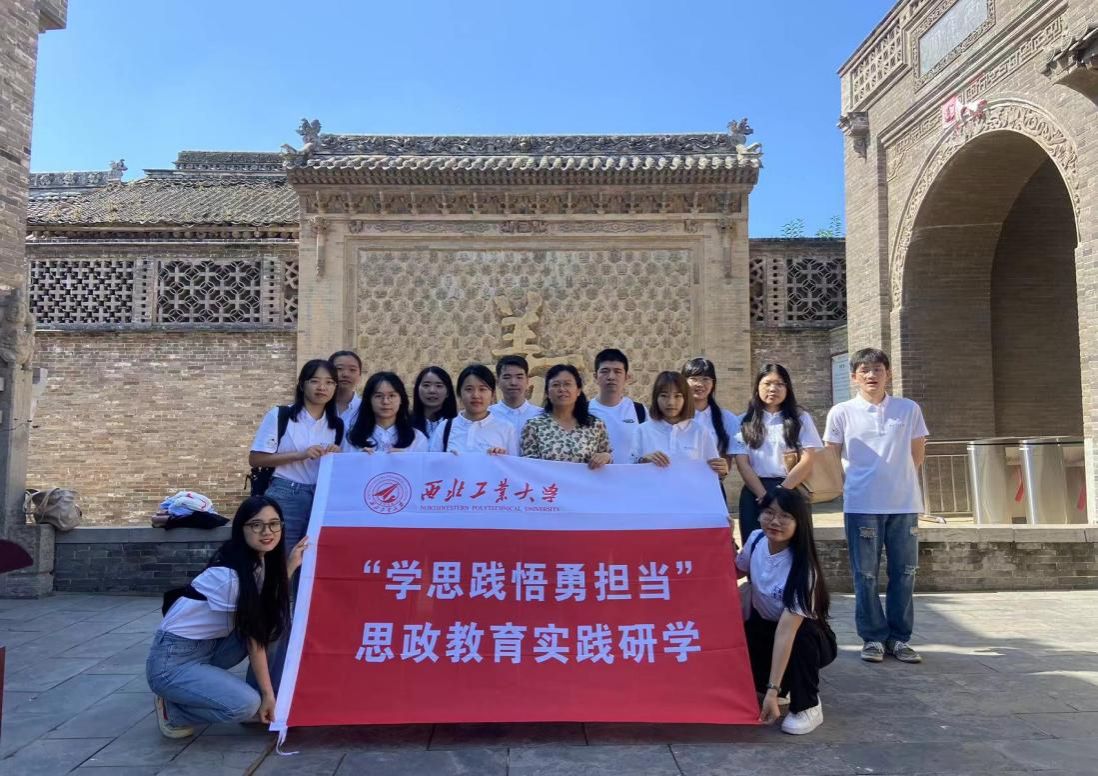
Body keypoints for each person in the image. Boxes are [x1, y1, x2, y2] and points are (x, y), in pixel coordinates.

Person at [147, 496, 307, 739]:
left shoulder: (257, 561)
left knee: (276, 625)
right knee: (245, 705)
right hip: (172, 663)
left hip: (211, 647)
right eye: (256, 525)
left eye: (274, 524)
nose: (267, 532)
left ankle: (268, 702)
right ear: (241, 528)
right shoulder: (230, 578)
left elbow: (267, 609)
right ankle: (173, 710)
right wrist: (266, 696)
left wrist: (291, 565)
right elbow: (255, 640)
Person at [824, 348, 928, 665]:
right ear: (854, 377)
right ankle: (872, 637)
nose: (871, 375)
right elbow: (830, 456)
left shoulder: (908, 409)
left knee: (905, 573)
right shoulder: (841, 412)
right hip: (861, 504)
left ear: (888, 374)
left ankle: (899, 638)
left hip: (903, 504)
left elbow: (917, 455)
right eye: (864, 370)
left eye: (878, 369)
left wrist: (895, 480)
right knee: (865, 574)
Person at [736, 487, 836, 735]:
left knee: (802, 636)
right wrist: (723, 538)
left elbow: (786, 632)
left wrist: (771, 692)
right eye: (769, 513)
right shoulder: (756, 540)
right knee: (743, 634)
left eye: (785, 516)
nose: (775, 521)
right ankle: (784, 686)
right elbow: (733, 572)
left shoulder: (804, 568)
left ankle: (808, 706)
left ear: (799, 523)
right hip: (765, 628)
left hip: (804, 637)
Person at [248, 359, 342, 554]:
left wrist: (337, 455)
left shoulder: (337, 424)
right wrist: (300, 455)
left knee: (312, 556)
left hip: (322, 496)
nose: (322, 387)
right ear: (302, 384)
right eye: (315, 381)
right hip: (286, 492)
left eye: (329, 382)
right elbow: (256, 458)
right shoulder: (280, 415)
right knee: (281, 555)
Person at [732, 364, 824, 542]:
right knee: (756, 545)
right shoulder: (742, 421)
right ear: (757, 387)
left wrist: (782, 491)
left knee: (796, 547)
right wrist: (763, 496)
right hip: (755, 493)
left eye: (780, 384)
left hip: (791, 488)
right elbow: (742, 463)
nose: (773, 389)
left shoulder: (800, 418)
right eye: (767, 383)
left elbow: (808, 458)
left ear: (787, 388)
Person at [633, 371, 727, 479]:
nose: (671, 402)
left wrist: (722, 471)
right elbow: (629, 471)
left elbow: (714, 474)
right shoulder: (642, 430)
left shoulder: (700, 432)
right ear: (656, 398)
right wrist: (643, 461)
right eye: (664, 396)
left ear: (686, 399)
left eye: (677, 396)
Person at [520, 364, 611, 468]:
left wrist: (606, 457)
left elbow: (609, 466)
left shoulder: (596, 425)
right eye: (555, 385)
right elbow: (528, 468)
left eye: (567, 384)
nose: (562, 389)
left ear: (578, 390)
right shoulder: (534, 426)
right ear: (547, 393)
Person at [430, 364, 518, 455]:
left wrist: (501, 458)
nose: (476, 395)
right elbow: (432, 461)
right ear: (459, 393)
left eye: (482, 389)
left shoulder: (506, 429)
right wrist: (448, 459)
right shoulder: (445, 427)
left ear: (493, 395)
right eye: (469, 389)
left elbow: (514, 463)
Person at [681, 357, 740, 471]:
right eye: (693, 379)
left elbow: (728, 461)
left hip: (711, 480)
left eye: (706, 379)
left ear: (713, 383)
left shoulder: (727, 418)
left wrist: (723, 470)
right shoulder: (672, 417)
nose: (699, 384)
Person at [346, 371, 429, 452]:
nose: (385, 401)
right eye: (378, 396)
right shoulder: (351, 437)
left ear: (401, 399)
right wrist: (359, 458)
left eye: (392, 396)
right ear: (369, 400)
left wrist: (405, 459)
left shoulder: (417, 438)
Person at [588, 348, 646, 464]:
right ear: (595, 377)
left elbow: (650, 448)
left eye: (617, 371)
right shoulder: (583, 411)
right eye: (605, 371)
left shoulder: (640, 411)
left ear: (627, 377)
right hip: (593, 475)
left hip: (631, 475)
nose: (611, 377)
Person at [489, 355, 543, 434]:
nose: (513, 383)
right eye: (507, 377)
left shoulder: (541, 415)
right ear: (498, 382)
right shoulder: (487, 415)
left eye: (519, 377)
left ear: (527, 381)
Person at [411, 366, 457, 438]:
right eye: (426, 385)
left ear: (448, 392)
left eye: (439, 386)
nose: (432, 390)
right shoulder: (406, 424)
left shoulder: (456, 425)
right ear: (417, 390)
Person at [328, 350, 363, 428]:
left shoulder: (366, 408)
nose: (346, 374)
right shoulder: (318, 407)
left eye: (352, 370)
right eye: (339, 368)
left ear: (359, 375)